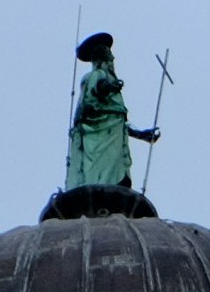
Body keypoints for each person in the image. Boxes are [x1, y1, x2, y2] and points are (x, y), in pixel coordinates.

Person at [65, 35, 157, 199]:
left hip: (112, 137)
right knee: (98, 175)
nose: (113, 58)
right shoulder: (95, 75)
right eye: (109, 55)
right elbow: (94, 92)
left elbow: (117, 122)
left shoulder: (109, 85)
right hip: (97, 138)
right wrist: (108, 87)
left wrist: (140, 134)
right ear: (103, 59)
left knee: (113, 176)